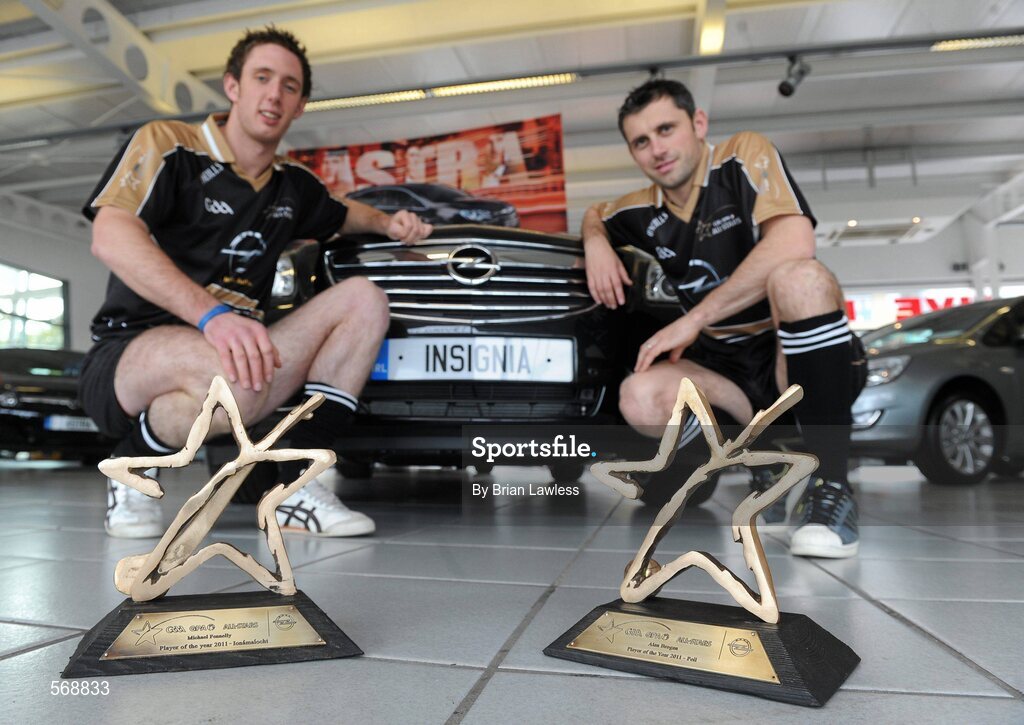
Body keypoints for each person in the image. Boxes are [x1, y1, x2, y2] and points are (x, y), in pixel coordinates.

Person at [79, 27, 432, 540]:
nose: (274, 95)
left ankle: (298, 488)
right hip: (128, 355)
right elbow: (110, 236)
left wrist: (389, 223)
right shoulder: (169, 144)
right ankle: (130, 466)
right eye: (262, 78)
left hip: (233, 360)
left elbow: (344, 213)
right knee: (238, 378)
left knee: (364, 299)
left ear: (300, 106)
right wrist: (213, 316)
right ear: (233, 86)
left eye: (289, 86)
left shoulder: (292, 184)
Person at [582, 79, 864, 558]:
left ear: (698, 123)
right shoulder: (642, 209)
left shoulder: (742, 156)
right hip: (726, 371)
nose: (657, 149)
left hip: (790, 354)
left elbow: (795, 241)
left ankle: (831, 486)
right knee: (640, 397)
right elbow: (596, 212)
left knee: (801, 279)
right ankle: (766, 463)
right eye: (641, 141)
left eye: (666, 129)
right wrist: (596, 243)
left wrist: (693, 320)